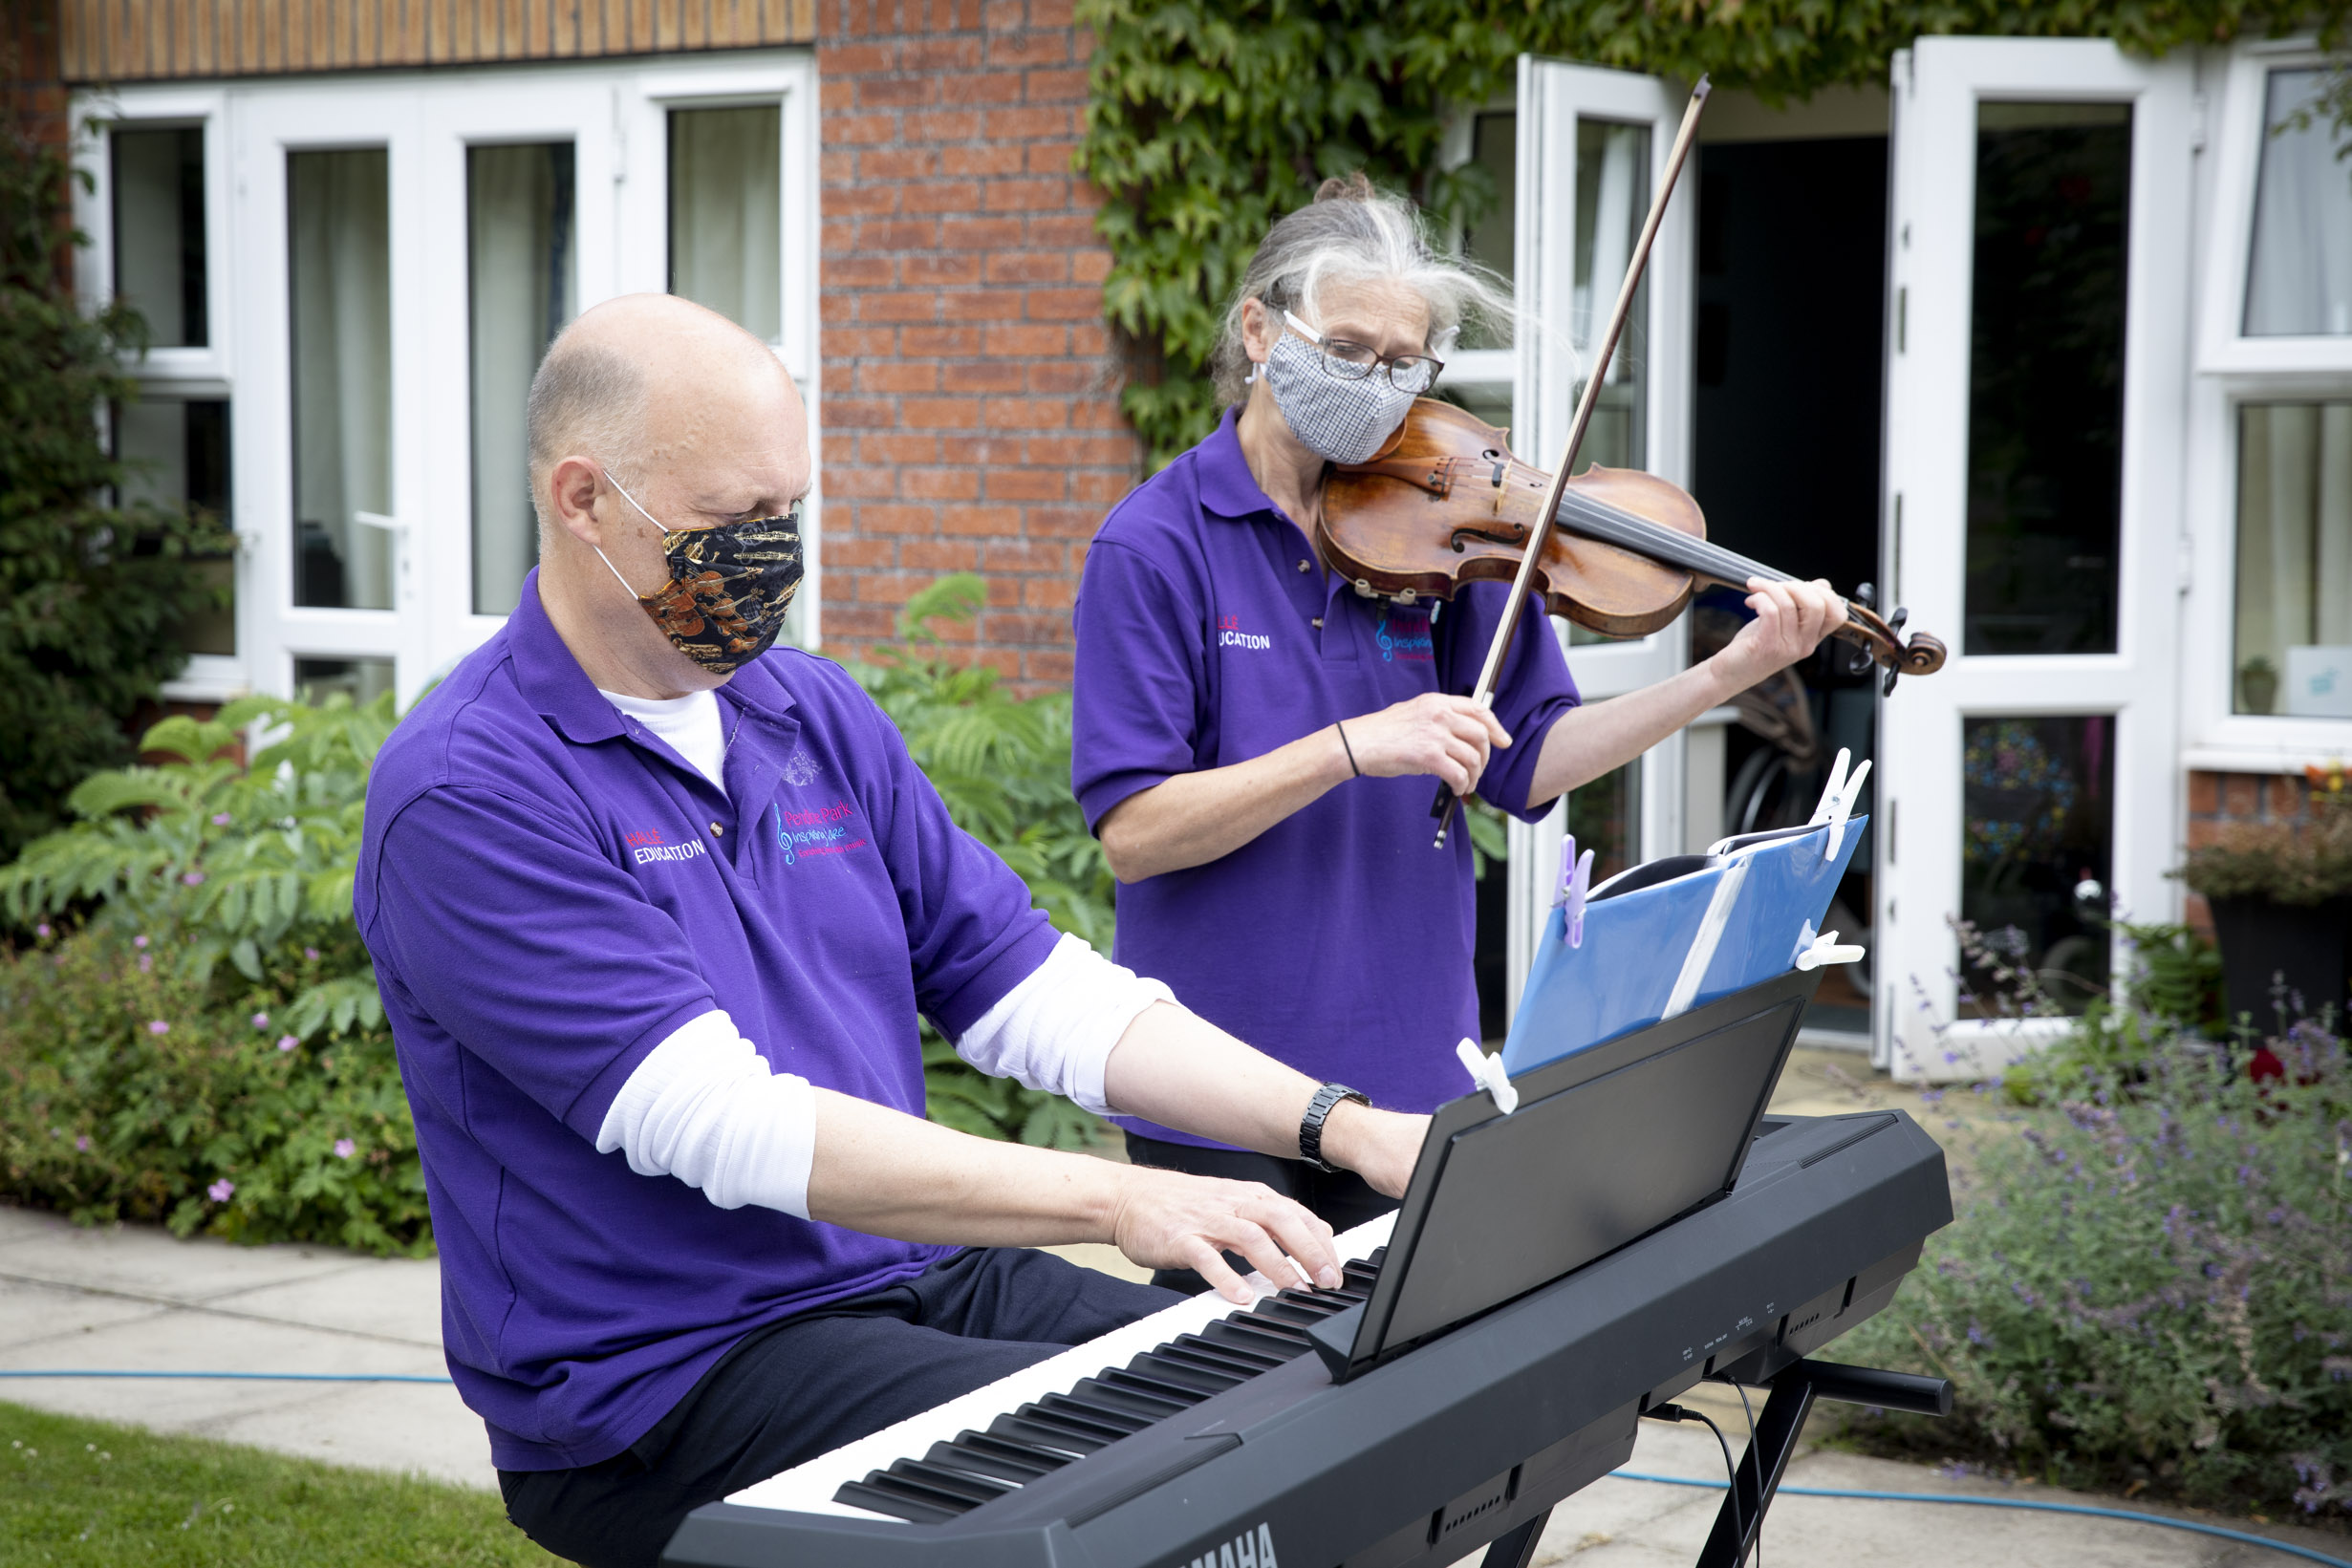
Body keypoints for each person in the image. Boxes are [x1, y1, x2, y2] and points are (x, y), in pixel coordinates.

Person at [354, 293, 1427, 1568]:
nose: (769, 552)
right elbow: (723, 1125)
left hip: (896, 1274)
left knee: (1290, 1381)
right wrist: (1116, 1203)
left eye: (787, 512)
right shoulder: (470, 788)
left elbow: (1028, 986)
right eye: (727, 523)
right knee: (1167, 1476)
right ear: (581, 499)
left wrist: (1344, 1126)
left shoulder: (808, 713)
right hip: (662, 1378)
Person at [1070, 178, 1846, 1283]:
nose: (1376, 386)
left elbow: (1530, 762)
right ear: (1259, 330)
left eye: (1405, 363)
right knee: (1237, 1402)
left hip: (1407, 1058)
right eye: (1347, 346)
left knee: (1401, 1392)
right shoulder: (1153, 547)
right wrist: (1352, 745)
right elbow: (1137, 832)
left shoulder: (1442, 529)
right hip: (1216, 1074)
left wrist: (1730, 670)